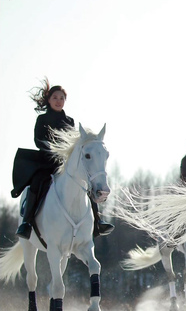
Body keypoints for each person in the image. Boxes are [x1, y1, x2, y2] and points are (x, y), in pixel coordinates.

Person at [12, 79, 114, 239]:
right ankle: (27, 223)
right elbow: (38, 140)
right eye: (55, 98)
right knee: (37, 181)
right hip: (46, 163)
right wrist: (53, 150)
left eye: (61, 98)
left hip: (65, 164)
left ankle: (98, 222)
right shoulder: (42, 120)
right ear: (49, 100)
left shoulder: (69, 121)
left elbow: (74, 144)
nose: (58, 101)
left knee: (85, 183)